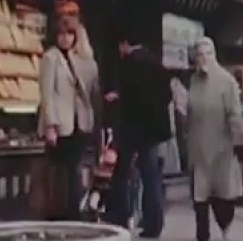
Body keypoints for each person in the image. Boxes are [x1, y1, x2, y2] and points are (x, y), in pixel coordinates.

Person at [105, 24, 171, 237]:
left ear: (124, 44)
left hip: (133, 128)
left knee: (122, 173)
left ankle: (120, 215)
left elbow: (130, 101)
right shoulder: (155, 61)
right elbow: (166, 95)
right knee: (151, 176)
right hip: (153, 130)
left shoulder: (130, 64)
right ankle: (154, 222)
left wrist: (117, 99)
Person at [182, 38, 243, 241]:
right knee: (200, 197)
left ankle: (225, 228)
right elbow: (189, 112)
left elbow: (235, 113)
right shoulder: (193, 80)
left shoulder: (226, 81)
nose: (203, 59)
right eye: (199, 54)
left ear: (214, 54)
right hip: (198, 146)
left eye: (207, 54)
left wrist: (239, 142)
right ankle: (202, 235)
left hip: (221, 147)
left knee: (222, 196)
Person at [38, 14, 100, 219]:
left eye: (69, 34)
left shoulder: (77, 58)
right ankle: (59, 211)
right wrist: (50, 125)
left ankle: (72, 211)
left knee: (73, 168)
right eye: (61, 34)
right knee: (60, 171)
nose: (65, 38)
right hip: (60, 123)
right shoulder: (51, 58)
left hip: (78, 122)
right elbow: (47, 94)